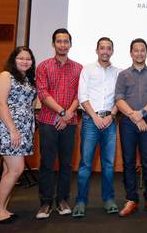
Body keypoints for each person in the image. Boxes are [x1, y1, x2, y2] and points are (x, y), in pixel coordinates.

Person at [0, 46, 37, 223]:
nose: (25, 61)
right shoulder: (5, 76)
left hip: (22, 129)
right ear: (13, 60)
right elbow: (0, 104)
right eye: (21, 58)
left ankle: (3, 208)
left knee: (9, 170)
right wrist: (13, 130)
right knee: (16, 169)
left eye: (28, 59)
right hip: (9, 128)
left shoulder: (27, 79)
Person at [35, 28, 82, 219]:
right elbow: (43, 93)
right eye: (59, 41)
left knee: (66, 163)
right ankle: (45, 202)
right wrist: (62, 113)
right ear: (53, 44)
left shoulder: (79, 68)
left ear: (70, 44)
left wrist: (68, 114)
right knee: (47, 163)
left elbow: (80, 95)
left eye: (66, 41)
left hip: (69, 123)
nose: (62, 44)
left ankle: (62, 200)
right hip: (47, 122)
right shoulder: (44, 66)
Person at [72, 37, 120, 217]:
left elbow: (120, 98)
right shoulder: (87, 69)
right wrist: (95, 117)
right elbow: (82, 96)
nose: (105, 51)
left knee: (108, 164)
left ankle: (108, 199)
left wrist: (112, 115)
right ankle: (81, 201)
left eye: (108, 48)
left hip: (110, 121)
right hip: (90, 121)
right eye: (102, 48)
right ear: (97, 50)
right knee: (85, 164)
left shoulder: (118, 72)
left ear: (112, 51)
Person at [115, 38, 147, 217]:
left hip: (146, 122)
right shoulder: (123, 75)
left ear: (146, 53)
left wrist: (142, 114)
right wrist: (134, 117)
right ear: (131, 53)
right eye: (136, 50)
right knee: (128, 162)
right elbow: (118, 98)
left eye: (143, 50)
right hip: (127, 123)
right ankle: (131, 199)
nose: (139, 53)